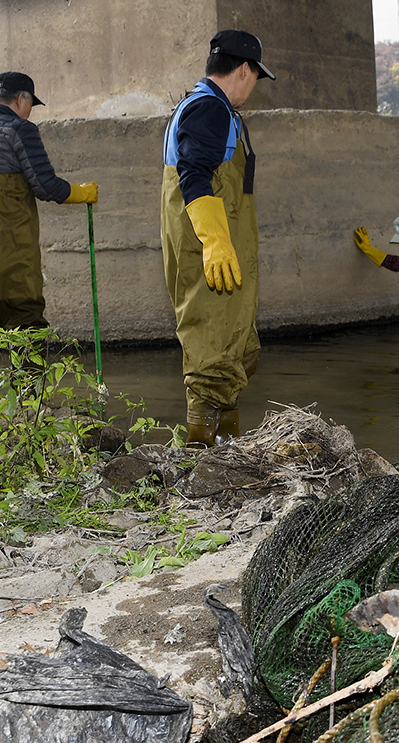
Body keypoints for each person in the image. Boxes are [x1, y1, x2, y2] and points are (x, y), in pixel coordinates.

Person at [0, 71, 98, 389]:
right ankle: (30, 405)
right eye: (30, 103)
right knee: (25, 318)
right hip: (8, 238)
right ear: (21, 98)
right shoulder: (19, 129)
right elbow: (45, 185)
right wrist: (82, 192)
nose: (30, 110)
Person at [161, 29, 275, 447]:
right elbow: (193, 173)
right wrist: (214, 240)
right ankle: (201, 461)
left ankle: (228, 451)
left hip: (222, 253)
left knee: (234, 351)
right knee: (212, 356)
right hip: (211, 256)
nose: (254, 87)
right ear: (244, 69)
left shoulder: (206, 106)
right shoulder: (209, 108)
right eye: (256, 77)